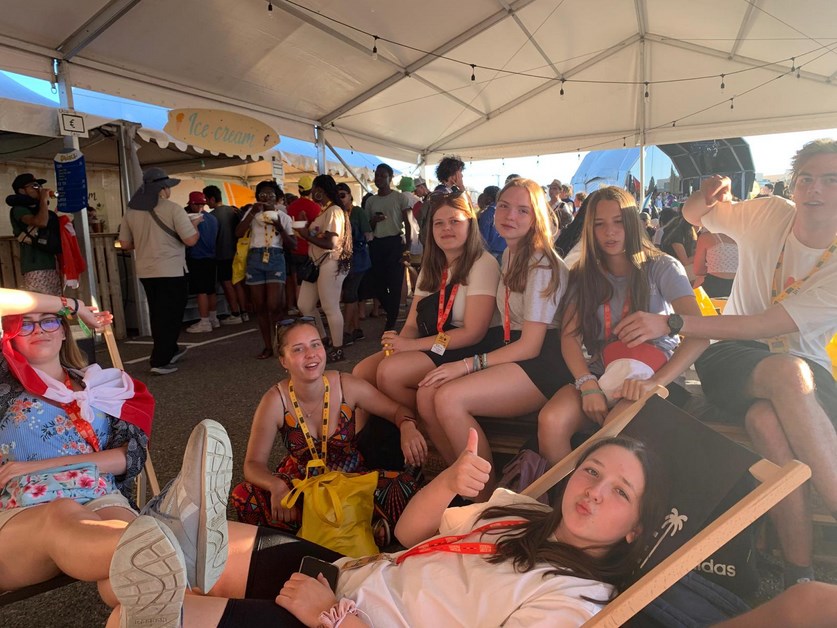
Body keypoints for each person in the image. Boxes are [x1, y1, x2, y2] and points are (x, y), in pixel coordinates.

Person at [112, 434, 668, 628]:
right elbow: (407, 531)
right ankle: (182, 538)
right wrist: (449, 480)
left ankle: (177, 534)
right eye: (592, 471)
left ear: (635, 530)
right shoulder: (522, 513)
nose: (595, 491)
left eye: (621, 491)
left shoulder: (576, 600)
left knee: (126, 610)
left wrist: (335, 617)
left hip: (347, 617)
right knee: (123, 581)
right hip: (350, 573)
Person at [613, 139, 837, 588]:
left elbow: (767, 323)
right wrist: (707, 194)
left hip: (805, 369)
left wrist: (672, 322)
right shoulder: (769, 213)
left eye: (831, 180)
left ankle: (799, 575)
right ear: (793, 186)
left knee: (766, 421)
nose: (815, 189)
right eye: (806, 178)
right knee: (787, 374)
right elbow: (695, 215)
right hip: (736, 356)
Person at [0, 297, 231, 609]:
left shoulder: (99, 384)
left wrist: (44, 466)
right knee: (63, 515)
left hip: (98, 493)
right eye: (25, 324)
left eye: (49, 320)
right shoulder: (4, 383)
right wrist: (74, 305)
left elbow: (129, 457)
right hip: (22, 505)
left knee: (131, 583)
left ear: (64, 331)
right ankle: (178, 540)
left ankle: (172, 555)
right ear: (10, 334)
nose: (39, 329)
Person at [416, 178, 571, 500]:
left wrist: (467, 364)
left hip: (543, 361)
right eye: (504, 206)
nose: (510, 215)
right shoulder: (511, 254)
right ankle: (461, 482)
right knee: (429, 391)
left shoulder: (541, 263)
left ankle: (486, 502)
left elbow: (531, 345)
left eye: (522, 210)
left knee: (449, 398)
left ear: (537, 217)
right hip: (514, 349)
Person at [537, 187, 708, 465]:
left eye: (618, 222)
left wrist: (654, 383)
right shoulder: (582, 275)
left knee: (611, 434)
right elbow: (569, 337)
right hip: (601, 373)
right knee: (551, 420)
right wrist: (587, 383)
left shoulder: (663, 267)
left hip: (652, 372)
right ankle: (564, 491)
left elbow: (700, 335)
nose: (610, 232)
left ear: (632, 223)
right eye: (599, 224)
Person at [230, 320, 421, 540]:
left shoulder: (345, 385)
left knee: (405, 486)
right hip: (302, 486)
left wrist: (407, 426)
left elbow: (397, 410)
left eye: (315, 344)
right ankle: (358, 528)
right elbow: (253, 464)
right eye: (298, 349)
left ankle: (311, 535)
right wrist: (276, 486)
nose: (310, 354)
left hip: (352, 481)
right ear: (283, 360)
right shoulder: (275, 400)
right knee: (243, 495)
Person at [352, 190, 500, 458]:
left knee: (390, 373)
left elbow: (473, 332)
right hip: (436, 340)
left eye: (454, 221)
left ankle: (420, 432)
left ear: (470, 224)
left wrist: (410, 346)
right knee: (362, 372)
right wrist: (398, 344)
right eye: (439, 223)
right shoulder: (433, 265)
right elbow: (412, 324)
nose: (446, 229)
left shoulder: (482, 263)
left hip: (466, 344)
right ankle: (358, 449)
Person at [118, 167, 199, 375]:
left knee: (158, 313)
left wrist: (144, 242)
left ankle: (171, 349)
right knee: (170, 315)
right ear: (163, 188)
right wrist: (196, 224)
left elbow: (125, 244)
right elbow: (190, 240)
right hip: (171, 269)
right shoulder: (173, 209)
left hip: (145, 270)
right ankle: (160, 360)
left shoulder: (131, 211)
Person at [294, 175, 352, 363]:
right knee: (305, 304)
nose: (312, 194)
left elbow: (330, 243)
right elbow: (314, 235)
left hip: (331, 262)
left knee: (330, 306)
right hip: (318, 263)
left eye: (314, 190)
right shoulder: (325, 211)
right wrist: (305, 228)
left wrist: (306, 234)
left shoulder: (334, 211)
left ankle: (337, 348)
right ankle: (323, 339)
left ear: (321, 190)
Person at [235, 180, 295, 359]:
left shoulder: (283, 216)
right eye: (262, 194)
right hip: (255, 258)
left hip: (275, 257)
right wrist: (253, 212)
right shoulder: (252, 214)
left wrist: (280, 227)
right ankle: (268, 346)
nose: (267, 197)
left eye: (270, 195)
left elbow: (292, 244)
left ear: (277, 198)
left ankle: (280, 344)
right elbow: (238, 233)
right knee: (260, 307)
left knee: (274, 306)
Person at [366, 164, 412, 332]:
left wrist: (407, 249)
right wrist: (373, 221)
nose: (378, 179)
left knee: (395, 284)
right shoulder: (371, 201)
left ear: (390, 178)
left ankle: (391, 322)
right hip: (377, 244)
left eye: (382, 176)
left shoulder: (400, 198)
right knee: (378, 284)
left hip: (395, 243)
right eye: (377, 175)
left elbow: (409, 224)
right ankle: (390, 312)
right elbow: (367, 227)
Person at [6, 173, 62, 295]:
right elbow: (40, 222)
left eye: (39, 186)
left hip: (51, 264)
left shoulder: (37, 208)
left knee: (57, 302)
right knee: (42, 302)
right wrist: (43, 200)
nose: (39, 189)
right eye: (34, 186)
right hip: (35, 266)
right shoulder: (18, 209)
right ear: (22, 190)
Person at [203, 185, 244, 324]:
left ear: (212, 199)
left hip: (222, 254)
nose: (206, 203)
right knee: (237, 283)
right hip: (237, 252)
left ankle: (235, 313)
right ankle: (244, 312)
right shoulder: (233, 210)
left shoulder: (212, 216)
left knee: (227, 284)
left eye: (206, 199)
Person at [337, 183, 371, 344]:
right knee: (351, 294)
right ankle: (357, 329)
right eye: (337, 196)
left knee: (349, 294)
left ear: (350, 195)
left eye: (343, 195)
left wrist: (355, 238)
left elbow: (369, 235)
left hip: (358, 259)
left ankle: (347, 331)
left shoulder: (357, 212)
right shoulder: (337, 212)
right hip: (343, 259)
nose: (340, 198)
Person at [184, 191, 220, 334]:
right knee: (211, 290)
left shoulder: (192, 219)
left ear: (193, 204)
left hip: (197, 257)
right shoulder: (213, 219)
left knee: (201, 291)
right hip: (212, 257)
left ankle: (204, 321)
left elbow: (189, 239)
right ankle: (213, 318)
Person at [285, 176, 322, 315]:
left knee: (298, 280)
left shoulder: (291, 207)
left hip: (294, 248)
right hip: (310, 249)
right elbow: (318, 229)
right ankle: (310, 309)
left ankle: (301, 309)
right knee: (312, 280)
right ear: (312, 190)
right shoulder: (315, 207)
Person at [692, 228, 738, 298]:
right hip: (739, 288)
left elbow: (698, 270)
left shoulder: (706, 237)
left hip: (713, 287)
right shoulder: (745, 238)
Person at [477, 184, 506, 263]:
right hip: (506, 250)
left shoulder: (487, 213)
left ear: (489, 198)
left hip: (491, 252)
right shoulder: (505, 211)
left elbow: (483, 236)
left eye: (484, 195)